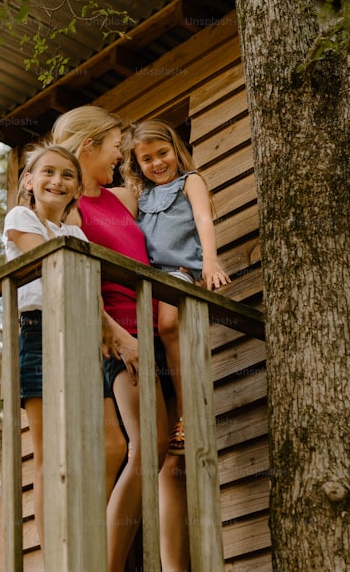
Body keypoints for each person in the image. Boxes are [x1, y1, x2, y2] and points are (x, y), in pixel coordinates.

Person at [51, 106, 189, 572]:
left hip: (156, 331)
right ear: (88, 146)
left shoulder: (123, 199)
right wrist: (115, 336)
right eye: (115, 147)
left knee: (172, 456)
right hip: (118, 337)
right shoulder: (70, 208)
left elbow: (170, 212)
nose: (120, 157)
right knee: (146, 444)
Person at [2, 144, 127, 550]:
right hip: (41, 332)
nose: (57, 181)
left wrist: (106, 328)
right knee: (48, 450)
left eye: (67, 176)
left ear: (76, 189)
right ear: (29, 181)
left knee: (113, 444)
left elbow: (89, 287)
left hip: (82, 336)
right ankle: (56, 547)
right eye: (48, 173)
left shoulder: (75, 232)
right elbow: (55, 267)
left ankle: (92, 535)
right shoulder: (21, 217)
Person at [121, 118, 229, 456]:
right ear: (137, 164)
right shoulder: (142, 195)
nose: (157, 163)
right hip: (149, 278)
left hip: (179, 271)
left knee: (169, 325)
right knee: (155, 340)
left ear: (176, 150)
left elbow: (203, 220)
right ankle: (162, 419)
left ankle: (187, 415)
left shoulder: (189, 181)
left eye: (163, 153)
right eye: (147, 159)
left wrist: (210, 261)